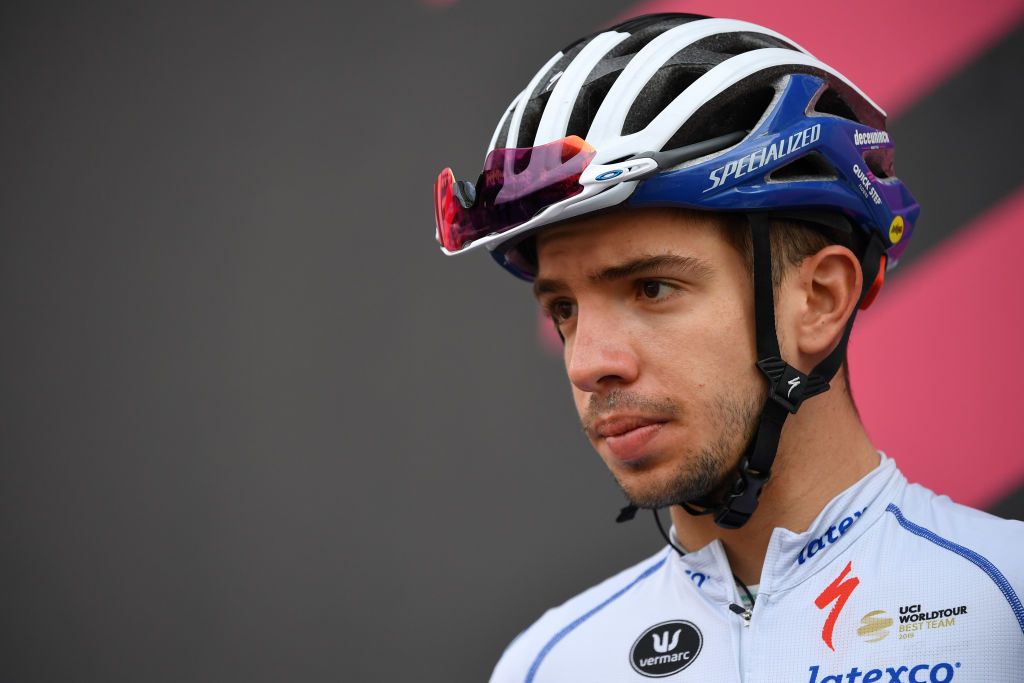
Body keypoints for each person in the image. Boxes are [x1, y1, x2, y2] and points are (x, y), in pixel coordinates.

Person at [433, 13, 1024, 682]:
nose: (588, 362)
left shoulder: (1008, 605)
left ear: (821, 299)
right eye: (563, 307)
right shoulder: (545, 667)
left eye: (651, 287)